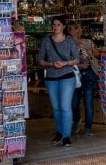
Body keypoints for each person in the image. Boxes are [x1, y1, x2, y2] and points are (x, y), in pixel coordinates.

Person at [37, 16, 80, 148]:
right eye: (54, 25)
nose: (55, 27)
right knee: (56, 108)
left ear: (63, 26)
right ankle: (59, 132)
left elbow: (77, 59)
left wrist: (65, 63)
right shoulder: (46, 41)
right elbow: (40, 60)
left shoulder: (69, 40)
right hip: (51, 77)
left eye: (58, 24)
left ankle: (66, 136)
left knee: (65, 106)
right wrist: (51, 64)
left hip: (67, 76)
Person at [68, 21, 99, 137]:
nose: (70, 31)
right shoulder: (67, 43)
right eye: (69, 29)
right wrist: (81, 65)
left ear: (77, 30)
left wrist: (92, 52)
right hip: (75, 73)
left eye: (72, 29)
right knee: (74, 102)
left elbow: (97, 54)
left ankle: (88, 127)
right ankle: (77, 120)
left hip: (88, 73)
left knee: (88, 101)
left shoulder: (87, 42)